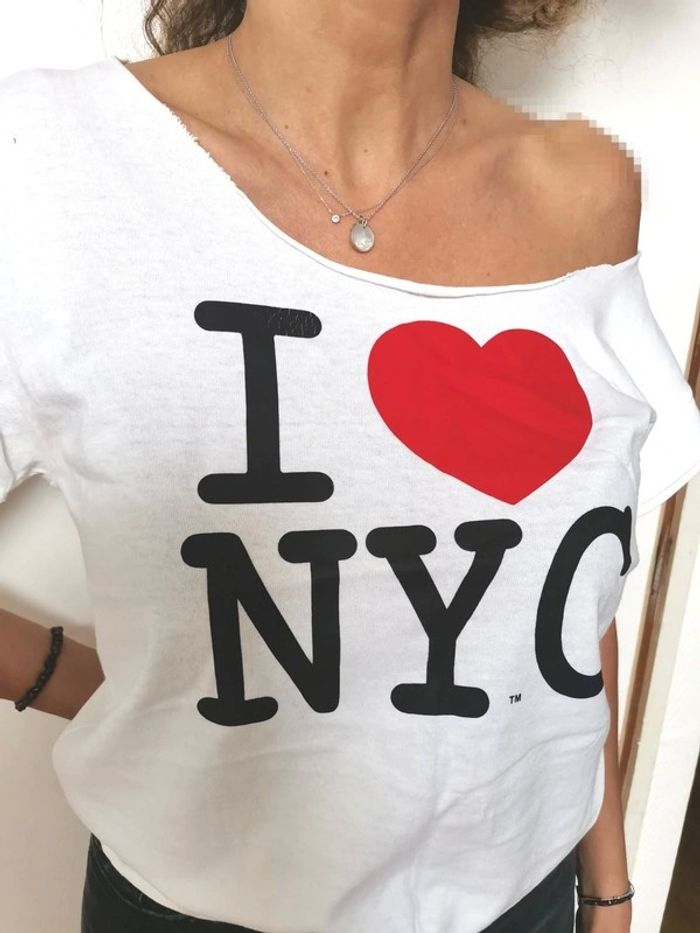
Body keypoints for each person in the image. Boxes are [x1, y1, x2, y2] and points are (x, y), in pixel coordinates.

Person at [1, 1, 699, 931]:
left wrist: (608, 886)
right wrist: (87, 682)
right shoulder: (47, 162)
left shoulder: (586, 188)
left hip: (526, 903)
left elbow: (571, 599)